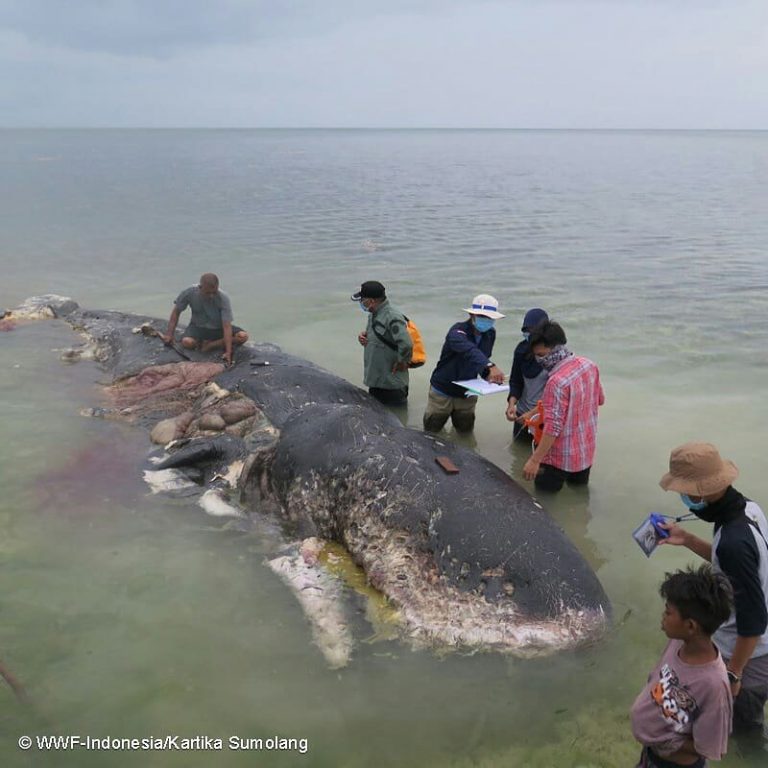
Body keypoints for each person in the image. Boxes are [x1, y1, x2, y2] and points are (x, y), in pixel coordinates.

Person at [658, 442, 768, 738]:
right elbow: (732, 568)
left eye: (684, 491)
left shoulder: (733, 540)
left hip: (751, 656)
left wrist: (733, 673)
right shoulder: (747, 509)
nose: (683, 497)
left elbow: (754, 619)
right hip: (756, 648)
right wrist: (688, 539)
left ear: (702, 492)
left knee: (740, 736)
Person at [630, 564, 734, 768]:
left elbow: (709, 746)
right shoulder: (679, 642)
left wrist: (667, 738)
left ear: (690, 626)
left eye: (668, 613)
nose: (663, 616)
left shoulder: (713, 685)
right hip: (651, 755)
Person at [521, 320, 604, 492]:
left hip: (557, 459)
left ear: (556, 349)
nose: (539, 360)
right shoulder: (589, 365)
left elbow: (553, 427)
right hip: (584, 453)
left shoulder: (556, 382)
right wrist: (534, 411)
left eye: (542, 354)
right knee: (578, 499)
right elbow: (599, 399)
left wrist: (535, 460)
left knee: (544, 502)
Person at [423, 294, 505, 433]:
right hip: (442, 391)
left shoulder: (490, 333)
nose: (486, 320)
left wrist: (487, 375)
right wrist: (490, 366)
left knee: (465, 432)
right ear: (472, 315)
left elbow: (481, 358)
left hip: (468, 392)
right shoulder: (457, 332)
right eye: (482, 316)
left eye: (489, 318)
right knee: (431, 431)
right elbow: (469, 350)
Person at [161, 273, 248, 366]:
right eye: (208, 293)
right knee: (187, 342)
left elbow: (226, 326)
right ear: (200, 287)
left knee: (243, 336)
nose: (211, 296)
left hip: (218, 328)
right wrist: (169, 334)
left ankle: (211, 345)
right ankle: (200, 343)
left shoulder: (223, 298)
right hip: (197, 327)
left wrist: (228, 352)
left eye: (214, 292)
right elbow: (176, 312)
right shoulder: (189, 293)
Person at [352, 281, 413, 406]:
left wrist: (402, 361)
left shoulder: (392, 317)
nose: (361, 303)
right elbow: (381, 335)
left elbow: (406, 344)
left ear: (372, 301)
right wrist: (364, 336)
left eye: (362, 300)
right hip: (376, 380)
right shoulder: (374, 315)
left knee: (395, 419)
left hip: (391, 384)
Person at [505, 307, 549, 440]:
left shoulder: (553, 355)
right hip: (522, 415)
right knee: (518, 454)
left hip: (544, 418)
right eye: (526, 331)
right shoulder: (521, 350)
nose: (528, 334)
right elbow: (515, 381)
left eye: (532, 331)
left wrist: (533, 413)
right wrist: (511, 405)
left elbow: (554, 396)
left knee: (540, 456)